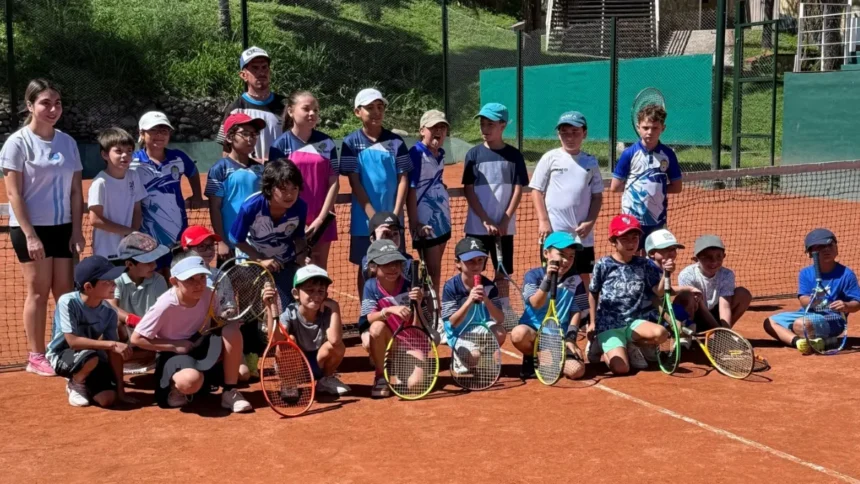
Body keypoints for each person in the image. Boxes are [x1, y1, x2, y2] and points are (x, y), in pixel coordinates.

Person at [0, 78, 85, 377]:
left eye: (57, 103)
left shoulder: (67, 142)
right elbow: (14, 194)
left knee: (64, 293)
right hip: (30, 230)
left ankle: (59, 346)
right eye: (45, 103)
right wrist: (31, 235)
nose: (52, 109)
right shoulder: (17, 143)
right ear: (30, 106)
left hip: (63, 228)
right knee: (38, 292)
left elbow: (76, 191)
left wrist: (77, 230)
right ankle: (35, 356)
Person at [130, 251, 253, 413]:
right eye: (190, 279)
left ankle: (229, 391)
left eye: (202, 277)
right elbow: (136, 339)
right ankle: (178, 387)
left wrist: (226, 321)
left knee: (232, 329)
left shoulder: (209, 294)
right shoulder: (164, 305)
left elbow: (216, 322)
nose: (198, 284)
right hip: (172, 355)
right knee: (190, 381)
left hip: (200, 346)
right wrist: (174, 346)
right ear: (174, 281)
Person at [340, 88, 411, 294]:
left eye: (380, 107)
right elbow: (355, 183)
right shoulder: (350, 143)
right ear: (357, 112)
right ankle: (366, 317)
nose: (376, 112)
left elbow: (403, 178)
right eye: (370, 108)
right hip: (364, 223)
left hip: (393, 222)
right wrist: (374, 220)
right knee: (367, 269)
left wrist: (394, 217)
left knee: (396, 268)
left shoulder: (397, 142)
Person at [588, 215, 671, 375]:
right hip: (609, 324)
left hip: (634, 323)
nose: (631, 243)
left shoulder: (645, 264)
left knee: (661, 333)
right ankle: (600, 343)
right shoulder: (603, 265)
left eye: (635, 238)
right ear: (613, 241)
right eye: (625, 239)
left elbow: (658, 292)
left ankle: (632, 344)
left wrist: (666, 273)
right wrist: (592, 322)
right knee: (622, 368)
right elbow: (593, 293)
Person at [46, 256, 132, 407]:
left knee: (107, 399)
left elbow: (114, 352)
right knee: (90, 358)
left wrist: (121, 390)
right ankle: (76, 382)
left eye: (113, 280)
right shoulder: (68, 302)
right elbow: (72, 342)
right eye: (107, 282)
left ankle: (86, 379)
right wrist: (112, 344)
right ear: (88, 287)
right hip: (62, 354)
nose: (114, 285)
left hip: (92, 355)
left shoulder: (109, 312)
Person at [268, 91, 339, 270]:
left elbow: (334, 182)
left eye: (315, 110)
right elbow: (275, 186)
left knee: (319, 272)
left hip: (322, 219)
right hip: (289, 219)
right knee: (294, 270)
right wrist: (295, 218)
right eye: (306, 109)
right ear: (291, 111)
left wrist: (321, 219)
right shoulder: (279, 145)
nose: (312, 114)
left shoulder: (327, 143)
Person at [531, 111, 603, 286]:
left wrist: (590, 222)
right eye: (564, 132)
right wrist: (543, 221)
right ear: (558, 134)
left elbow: (597, 196)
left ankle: (584, 313)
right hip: (554, 232)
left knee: (584, 277)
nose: (569, 137)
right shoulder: (550, 158)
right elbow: (536, 190)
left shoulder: (591, 162)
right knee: (554, 274)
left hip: (582, 236)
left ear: (584, 133)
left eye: (575, 132)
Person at [763, 229, 860, 354]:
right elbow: (804, 301)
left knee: (800, 324)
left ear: (836, 248)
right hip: (807, 314)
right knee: (770, 322)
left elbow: (857, 303)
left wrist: (846, 305)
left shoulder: (846, 274)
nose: (826, 249)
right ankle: (799, 342)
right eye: (820, 247)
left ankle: (817, 339)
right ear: (810, 253)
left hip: (833, 319)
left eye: (830, 245)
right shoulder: (806, 273)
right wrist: (816, 300)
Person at [462, 103, 529, 280]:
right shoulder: (473, 155)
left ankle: (503, 307)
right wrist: (485, 220)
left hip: (504, 228)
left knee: (502, 276)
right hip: (477, 227)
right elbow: (469, 190)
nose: (485, 128)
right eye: (482, 124)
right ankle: (476, 307)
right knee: (472, 275)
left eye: (490, 124)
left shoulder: (514, 156)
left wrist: (505, 219)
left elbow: (518, 189)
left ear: (503, 125)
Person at [133, 111, 204, 273]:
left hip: (177, 234)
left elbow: (192, 172)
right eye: (154, 130)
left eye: (164, 131)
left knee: (176, 274)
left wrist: (197, 195)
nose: (159, 135)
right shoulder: (133, 161)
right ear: (142, 134)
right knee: (152, 276)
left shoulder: (178, 157)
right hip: (147, 236)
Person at [262, 265, 350, 395]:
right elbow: (275, 340)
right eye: (310, 290)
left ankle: (325, 379)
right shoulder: (290, 313)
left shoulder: (327, 313)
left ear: (326, 294)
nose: (316, 295)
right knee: (288, 340)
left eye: (321, 291)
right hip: (294, 366)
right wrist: (270, 307)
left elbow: (335, 340)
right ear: (296, 294)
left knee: (338, 346)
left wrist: (335, 307)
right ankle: (289, 383)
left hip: (316, 364)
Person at [180, 224, 253, 381]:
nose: (209, 251)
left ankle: (218, 367)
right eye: (202, 247)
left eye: (211, 246)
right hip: (193, 337)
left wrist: (229, 314)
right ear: (187, 250)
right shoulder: (180, 278)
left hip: (220, 333)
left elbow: (229, 305)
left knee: (243, 374)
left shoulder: (221, 275)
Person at [230, 159, 307, 306]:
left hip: (284, 262)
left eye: (294, 189)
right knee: (250, 309)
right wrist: (260, 259)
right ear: (270, 189)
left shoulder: (300, 207)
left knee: (288, 307)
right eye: (283, 189)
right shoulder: (251, 207)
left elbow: (299, 236)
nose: (290, 195)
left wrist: (302, 257)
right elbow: (236, 239)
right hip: (250, 261)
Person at [511, 232, 587, 380]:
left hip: (560, 336)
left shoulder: (576, 280)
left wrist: (571, 338)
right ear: (546, 253)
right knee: (518, 334)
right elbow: (535, 304)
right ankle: (530, 357)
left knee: (576, 371)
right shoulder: (533, 276)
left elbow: (576, 311)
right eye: (562, 254)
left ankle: (557, 356)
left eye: (571, 256)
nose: (566, 260)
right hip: (533, 332)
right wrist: (547, 279)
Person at [609, 105, 682, 251]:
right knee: (632, 255)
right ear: (638, 127)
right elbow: (615, 187)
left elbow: (677, 187)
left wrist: (656, 188)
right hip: (631, 218)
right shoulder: (628, 154)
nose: (650, 132)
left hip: (657, 218)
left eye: (655, 128)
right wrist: (639, 188)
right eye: (645, 127)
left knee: (657, 257)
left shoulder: (668, 154)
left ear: (663, 128)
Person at [357, 239, 423, 398]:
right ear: (373, 267)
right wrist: (389, 310)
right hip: (389, 339)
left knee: (414, 386)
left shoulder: (411, 287)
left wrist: (419, 304)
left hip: (411, 342)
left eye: (396, 263)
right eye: (386, 263)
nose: (393, 268)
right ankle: (381, 375)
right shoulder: (371, 286)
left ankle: (399, 364)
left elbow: (419, 328)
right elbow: (370, 318)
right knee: (375, 329)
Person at [205, 113, 265, 266]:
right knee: (228, 289)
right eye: (245, 134)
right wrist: (222, 242)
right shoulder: (219, 169)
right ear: (230, 138)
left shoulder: (263, 169)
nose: (251, 138)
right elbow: (215, 208)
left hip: (258, 244)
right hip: (231, 246)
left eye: (254, 134)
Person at [440, 237, 507, 373]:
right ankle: (459, 356)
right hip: (459, 331)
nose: (476, 265)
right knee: (473, 357)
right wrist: (469, 300)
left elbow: (499, 319)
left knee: (499, 332)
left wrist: (486, 299)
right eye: (470, 261)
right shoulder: (451, 287)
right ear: (458, 263)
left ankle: (486, 356)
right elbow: (453, 322)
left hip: (480, 328)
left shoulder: (489, 286)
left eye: (479, 260)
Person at [107, 232, 170, 374]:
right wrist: (134, 320)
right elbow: (111, 307)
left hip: (148, 338)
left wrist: (146, 327)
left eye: (154, 259)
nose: (154, 265)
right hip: (126, 336)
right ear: (129, 264)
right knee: (114, 323)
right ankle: (114, 364)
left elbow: (164, 311)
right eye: (148, 262)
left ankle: (142, 361)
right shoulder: (117, 279)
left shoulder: (158, 280)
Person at [407, 109, 451, 305]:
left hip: (442, 218)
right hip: (425, 220)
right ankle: (435, 309)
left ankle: (428, 308)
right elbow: (410, 189)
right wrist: (415, 222)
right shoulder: (416, 154)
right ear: (422, 131)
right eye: (434, 127)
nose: (439, 131)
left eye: (442, 127)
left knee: (434, 268)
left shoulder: (440, 154)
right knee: (432, 269)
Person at [216, 46, 286, 160]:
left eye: (264, 67)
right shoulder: (235, 108)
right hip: (249, 175)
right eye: (255, 68)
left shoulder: (285, 105)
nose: (261, 72)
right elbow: (226, 150)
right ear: (243, 75)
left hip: (281, 173)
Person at [88, 127, 147, 258]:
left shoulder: (133, 176)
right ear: (105, 155)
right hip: (106, 251)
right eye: (118, 151)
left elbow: (137, 209)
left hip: (129, 250)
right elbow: (95, 220)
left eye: (129, 151)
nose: (125, 155)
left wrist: (132, 235)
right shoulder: (100, 183)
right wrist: (129, 232)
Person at [676, 235, 752, 330]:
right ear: (696, 259)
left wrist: (726, 330)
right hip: (695, 316)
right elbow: (699, 307)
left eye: (718, 256)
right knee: (688, 297)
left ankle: (723, 334)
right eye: (707, 257)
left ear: (724, 256)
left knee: (743, 294)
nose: (714, 261)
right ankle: (689, 334)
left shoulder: (727, 274)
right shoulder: (687, 275)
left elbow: (725, 306)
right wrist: (717, 328)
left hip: (715, 315)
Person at [360, 211, 414, 282]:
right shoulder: (367, 260)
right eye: (386, 234)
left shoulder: (407, 260)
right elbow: (370, 275)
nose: (392, 238)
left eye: (395, 233)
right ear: (373, 239)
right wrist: (378, 244)